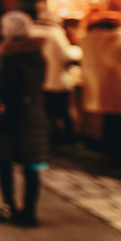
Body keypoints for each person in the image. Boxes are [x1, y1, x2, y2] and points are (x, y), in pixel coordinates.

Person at [0, 11, 49, 227]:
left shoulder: (10, 55)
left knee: (4, 160)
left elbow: (5, 87)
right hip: (34, 113)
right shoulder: (36, 53)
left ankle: (9, 207)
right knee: (32, 165)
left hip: (13, 116)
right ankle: (30, 212)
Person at [79, 15, 121, 161]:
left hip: (97, 84)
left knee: (109, 118)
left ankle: (108, 149)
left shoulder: (86, 39)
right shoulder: (118, 37)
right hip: (118, 83)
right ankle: (118, 153)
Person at [29, 9, 82, 144]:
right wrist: (78, 51)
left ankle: (47, 136)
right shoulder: (54, 33)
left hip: (38, 80)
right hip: (55, 79)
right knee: (63, 111)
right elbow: (66, 55)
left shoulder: (31, 31)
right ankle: (67, 138)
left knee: (46, 110)